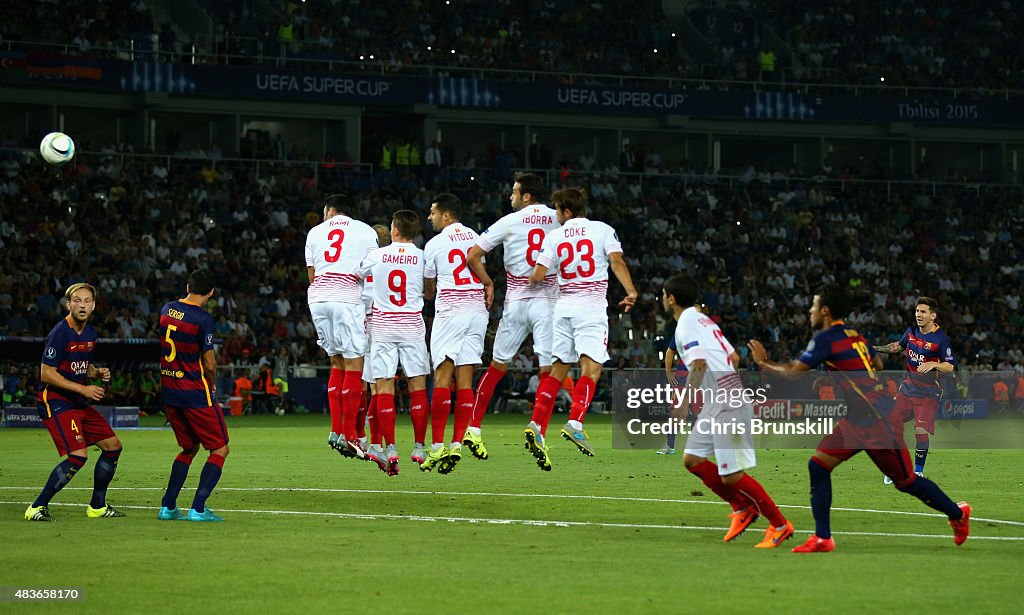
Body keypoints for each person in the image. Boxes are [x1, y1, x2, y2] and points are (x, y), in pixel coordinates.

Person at [747, 286, 970, 553]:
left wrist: (764, 363)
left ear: (825, 311)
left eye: (814, 306)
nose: (810, 311)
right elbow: (875, 364)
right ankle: (822, 538)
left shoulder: (826, 338)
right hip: (857, 420)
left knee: (906, 481)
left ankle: (957, 514)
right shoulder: (854, 335)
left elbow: (794, 372)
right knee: (818, 466)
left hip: (878, 419)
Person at [663, 275, 794, 547]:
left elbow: (698, 363)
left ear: (671, 298)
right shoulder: (704, 320)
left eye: (664, 295)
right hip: (719, 400)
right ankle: (741, 507)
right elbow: (734, 357)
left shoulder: (685, 323)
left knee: (731, 475)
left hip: (727, 402)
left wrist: (684, 401)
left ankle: (780, 524)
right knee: (693, 459)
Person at [524, 187, 638, 470]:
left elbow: (538, 275)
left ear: (567, 211)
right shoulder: (601, 230)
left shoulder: (554, 236)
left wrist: (530, 278)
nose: (556, 215)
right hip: (590, 308)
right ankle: (575, 422)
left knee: (558, 368)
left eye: (557, 210)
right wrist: (631, 291)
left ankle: (537, 424)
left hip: (563, 309)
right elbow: (616, 261)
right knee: (592, 368)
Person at [466, 172, 560, 461]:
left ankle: (473, 428)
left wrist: (488, 282)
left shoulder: (508, 222)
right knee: (548, 369)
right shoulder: (559, 218)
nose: (511, 196)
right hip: (548, 302)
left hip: (517, 302)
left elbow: (472, 255)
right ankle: (537, 428)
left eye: (515, 191)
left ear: (527, 196)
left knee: (496, 367)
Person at [26, 282, 126, 522]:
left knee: (113, 446)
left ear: (93, 306)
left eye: (87, 301)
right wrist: (84, 388)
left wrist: (96, 372)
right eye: (77, 301)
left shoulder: (90, 334)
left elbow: (78, 367)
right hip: (56, 400)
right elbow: (47, 373)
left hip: (77, 401)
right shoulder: (60, 333)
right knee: (78, 455)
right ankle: (36, 507)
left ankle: (97, 507)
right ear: (68, 304)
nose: (83, 305)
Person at [356, 210, 430, 476]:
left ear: (395, 230)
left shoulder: (376, 255)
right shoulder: (423, 257)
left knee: (383, 386)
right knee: (417, 386)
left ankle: (391, 448)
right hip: (412, 326)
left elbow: (358, 273)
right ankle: (420, 446)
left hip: (383, 326)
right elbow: (430, 289)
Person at [305, 193, 378, 458]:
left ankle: (336, 431)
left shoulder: (314, 232)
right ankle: (350, 436)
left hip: (318, 300)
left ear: (331, 211)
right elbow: (373, 265)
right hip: (347, 298)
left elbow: (311, 274)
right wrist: (356, 276)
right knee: (354, 366)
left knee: (336, 363)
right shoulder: (365, 231)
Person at [421, 193, 488, 473]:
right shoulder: (475, 236)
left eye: (433, 212)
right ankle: (458, 443)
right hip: (477, 310)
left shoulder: (434, 243)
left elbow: (429, 290)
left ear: (446, 215)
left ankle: (437, 447)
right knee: (465, 381)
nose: (430, 217)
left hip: (451, 310)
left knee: (442, 376)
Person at [157, 269, 230, 522]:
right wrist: (211, 385)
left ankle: (168, 507)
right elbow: (209, 364)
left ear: (188, 285)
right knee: (220, 449)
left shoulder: (167, 309)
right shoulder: (203, 319)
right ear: (211, 292)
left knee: (189, 447)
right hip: (194, 392)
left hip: (169, 390)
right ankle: (198, 508)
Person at [873, 297, 956, 483]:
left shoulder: (941, 339)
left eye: (923, 312)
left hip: (928, 393)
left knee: (920, 429)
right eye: (917, 311)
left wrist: (934, 364)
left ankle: (917, 471)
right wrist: (872, 349)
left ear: (932, 316)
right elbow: (897, 347)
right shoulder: (910, 332)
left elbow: (950, 366)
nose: (918, 314)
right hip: (907, 390)